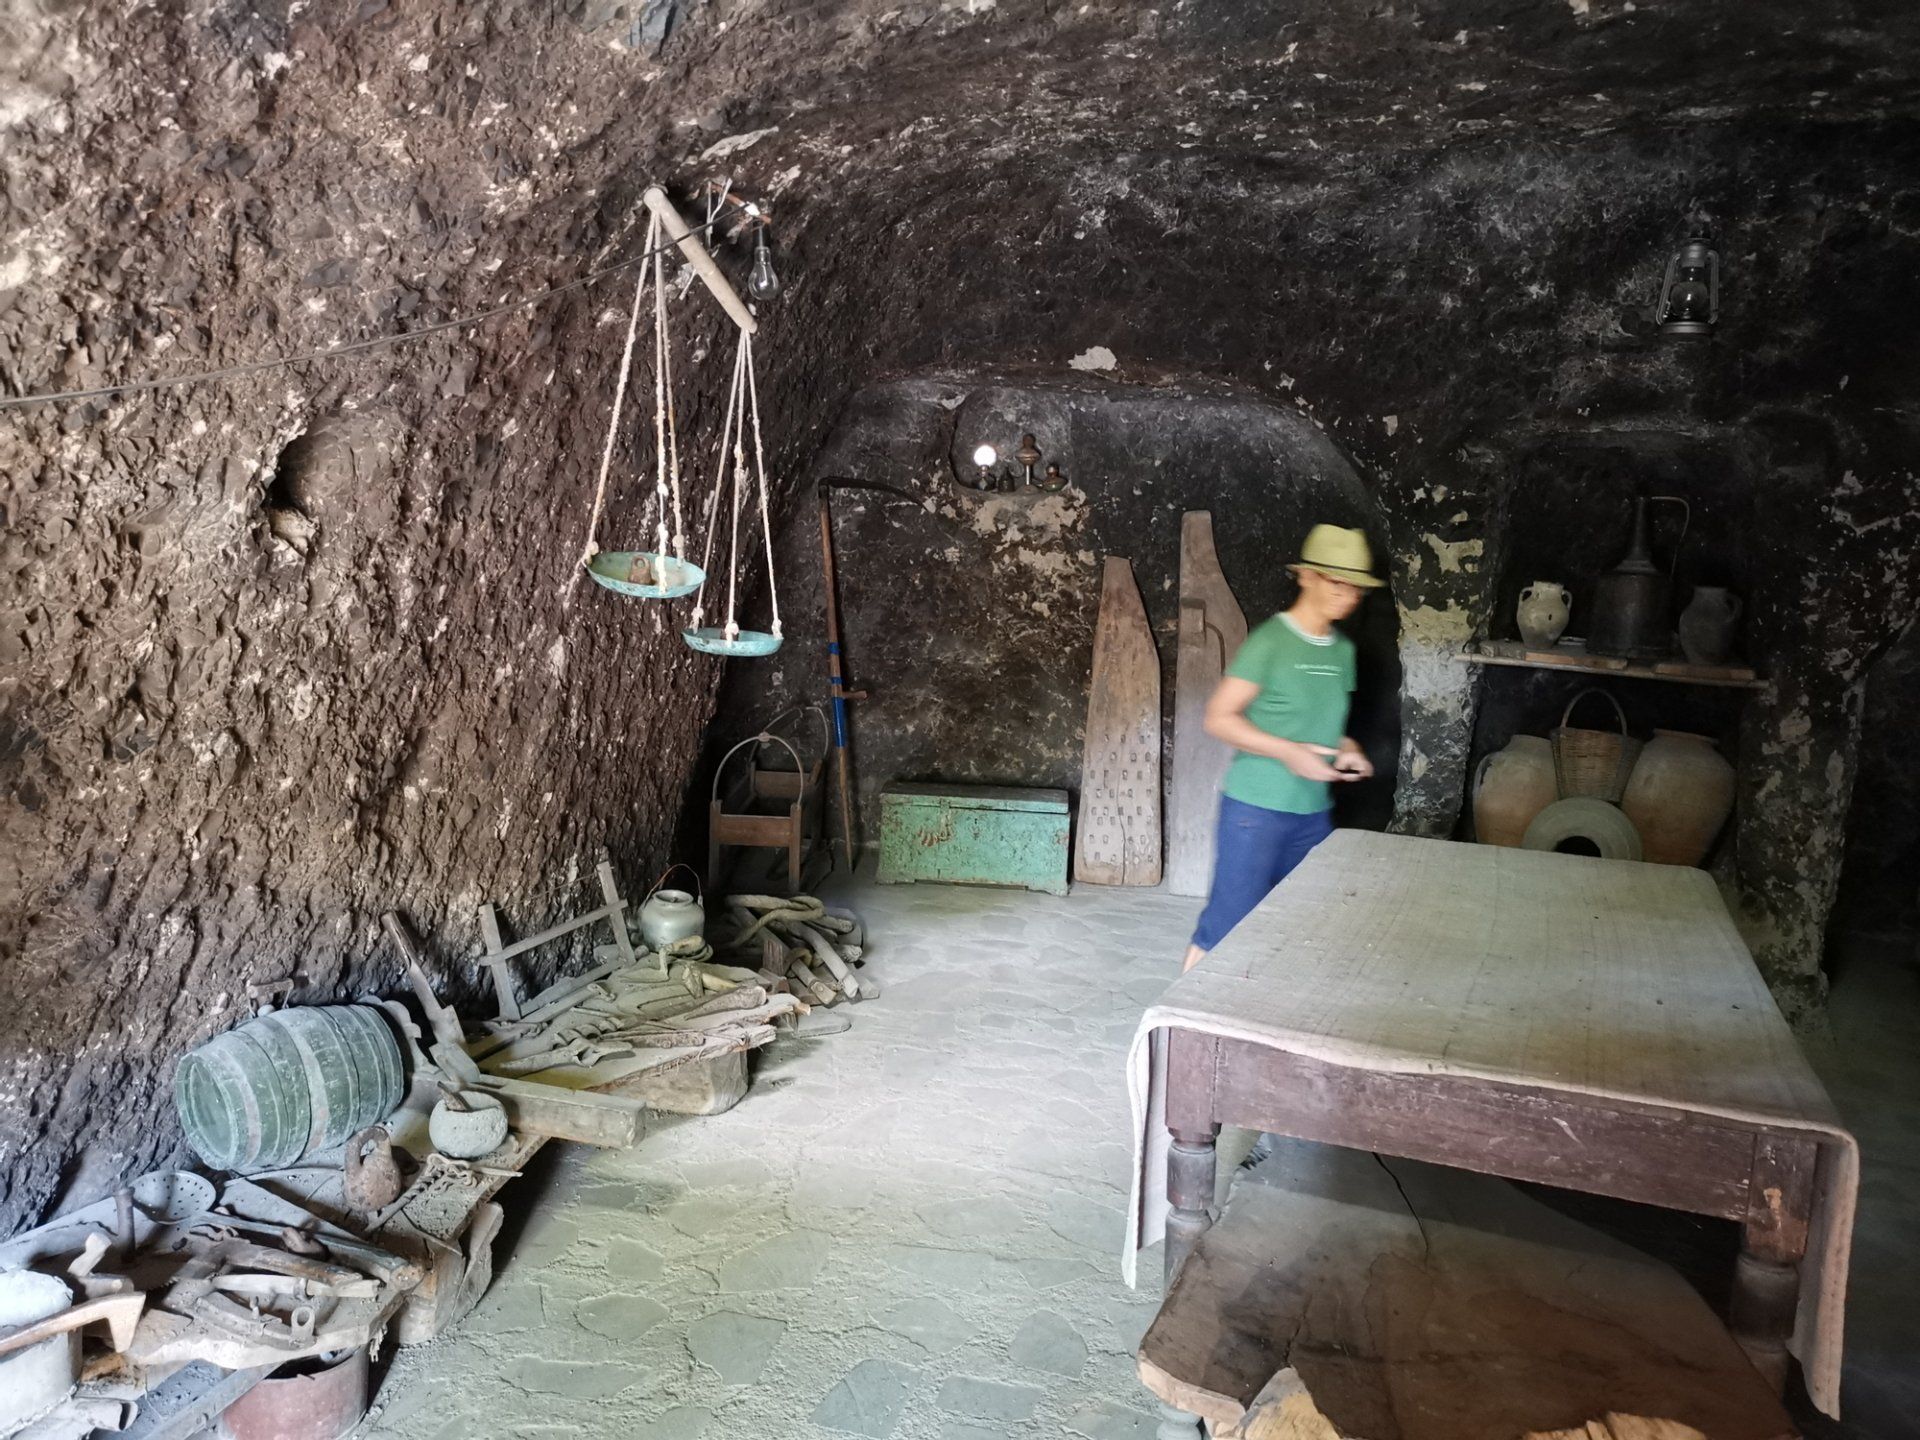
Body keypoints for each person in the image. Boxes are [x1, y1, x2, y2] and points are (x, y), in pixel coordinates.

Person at [1182, 524, 1383, 972]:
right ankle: (1178, 1013)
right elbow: (1218, 717)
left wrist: (1348, 748)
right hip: (1256, 812)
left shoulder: (1342, 652)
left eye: (1356, 587)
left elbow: (1323, 726)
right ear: (1306, 576)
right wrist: (1288, 752)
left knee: (1295, 927)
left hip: (1313, 816)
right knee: (1225, 928)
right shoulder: (1270, 642)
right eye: (1337, 582)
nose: (1348, 595)